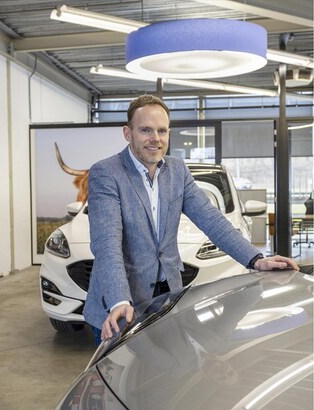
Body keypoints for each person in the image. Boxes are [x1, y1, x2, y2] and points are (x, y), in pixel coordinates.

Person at [84, 94, 299, 345]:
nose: (155, 138)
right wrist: (119, 300)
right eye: (145, 130)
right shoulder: (106, 172)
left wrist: (256, 259)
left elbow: (211, 219)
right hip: (122, 307)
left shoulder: (177, 170)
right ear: (127, 133)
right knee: (124, 371)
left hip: (167, 299)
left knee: (179, 366)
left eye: (162, 131)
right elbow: (107, 243)